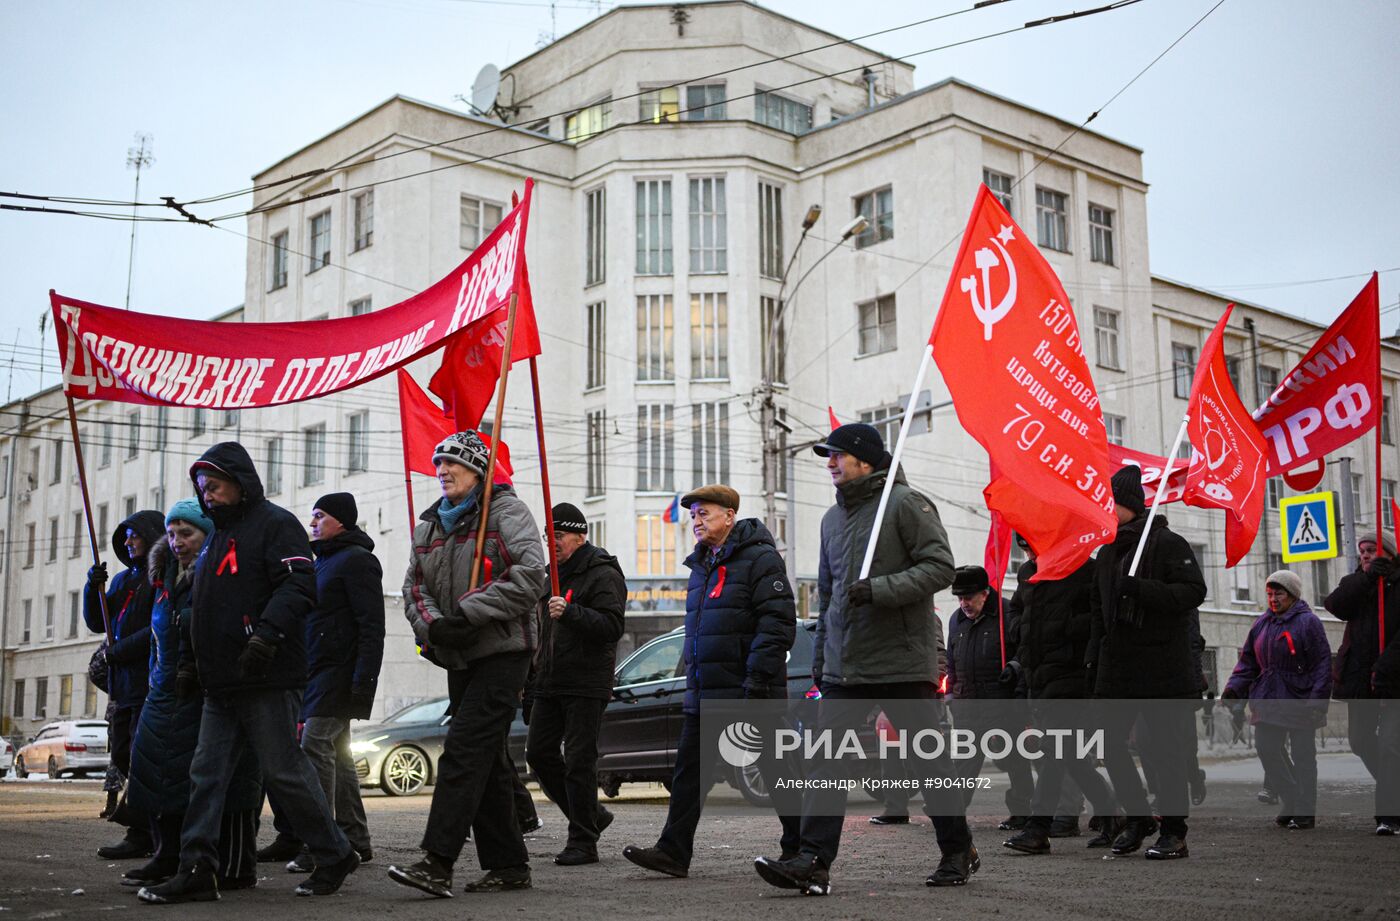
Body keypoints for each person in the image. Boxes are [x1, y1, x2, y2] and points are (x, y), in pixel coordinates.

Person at [754, 423, 974, 895]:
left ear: (865, 460)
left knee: (926, 762)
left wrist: (880, 589)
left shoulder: (905, 504)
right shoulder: (832, 519)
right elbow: (830, 593)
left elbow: (940, 567)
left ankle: (957, 849)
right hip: (845, 667)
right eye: (827, 456)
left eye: (837, 455)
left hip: (900, 662)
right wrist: (822, 657)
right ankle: (813, 861)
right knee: (825, 763)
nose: (829, 463)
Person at [138, 443, 359, 904]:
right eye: (202, 489)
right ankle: (197, 868)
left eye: (214, 486)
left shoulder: (277, 525)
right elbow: (204, 612)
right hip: (221, 681)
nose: (208, 496)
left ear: (241, 483)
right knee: (206, 774)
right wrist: (191, 665)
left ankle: (335, 852)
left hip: (267, 675)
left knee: (284, 772)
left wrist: (266, 636)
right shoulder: (218, 535)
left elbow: (300, 585)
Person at [389, 431, 547, 898]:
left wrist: (468, 613)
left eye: (452, 463)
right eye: (438, 463)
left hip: (503, 651)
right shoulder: (430, 526)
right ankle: (509, 865)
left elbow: (529, 577)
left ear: (479, 470)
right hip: (458, 654)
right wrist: (435, 626)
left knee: (463, 748)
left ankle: (437, 861)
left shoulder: (506, 512)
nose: (442, 470)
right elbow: (413, 588)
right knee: (489, 759)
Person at [623, 485, 799, 879]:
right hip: (706, 692)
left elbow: (777, 622)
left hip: (750, 691)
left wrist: (757, 676)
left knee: (776, 771)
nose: (697, 521)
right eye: (694, 515)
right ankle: (673, 851)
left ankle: (801, 850)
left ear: (730, 516)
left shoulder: (760, 559)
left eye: (705, 513)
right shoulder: (701, 566)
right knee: (689, 773)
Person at [121, 499, 262, 891]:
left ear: (207, 535)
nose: (177, 541)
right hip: (165, 690)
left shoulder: (221, 574)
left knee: (214, 781)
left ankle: (229, 864)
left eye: (187, 533)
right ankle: (168, 854)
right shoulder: (164, 578)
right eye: (171, 533)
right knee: (156, 774)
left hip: (207, 690)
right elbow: (157, 637)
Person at [1086, 465, 1206, 861]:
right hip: (1117, 666)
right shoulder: (1107, 551)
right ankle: (1138, 819)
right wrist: (1093, 660)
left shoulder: (1167, 543)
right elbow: (1097, 612)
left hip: (1161, 668)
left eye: (1111, 502)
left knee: (1165, 752)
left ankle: (1174, 832)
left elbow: (1192, 591)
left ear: (1129, 506)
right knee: (1108, 744)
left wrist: (1142, 589)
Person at [280, 493, 384, 873]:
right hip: (317, 671)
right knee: (338, 756)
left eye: (319, 516)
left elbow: (372, 626)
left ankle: (323, 843)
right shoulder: (321, 562)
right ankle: (355, 839)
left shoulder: (358, 561)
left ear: (341, 520)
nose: (312, 523)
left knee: (315, 746)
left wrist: (363, 682)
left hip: (340, 673)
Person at [1002, 539, 1122, 855]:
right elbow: (1016, 610)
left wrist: (1064, 629)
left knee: (1054, 749)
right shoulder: (1028, 571)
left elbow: (1100, 615)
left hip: (1072, 674)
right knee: (1068, 753)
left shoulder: (1082, 567)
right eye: (1024, 548)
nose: (1028, 554)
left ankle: (1038, 828)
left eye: (1031, 546)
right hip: (1039, 674)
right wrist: (1021, 631)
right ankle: (1113, 813)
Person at [526, 502, 627, 866]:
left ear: (580, 535)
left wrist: (572, 613)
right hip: (550, 681)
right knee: (538, 754)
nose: (551, 541)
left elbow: (613, 626)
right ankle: (592, 816)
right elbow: (541, 634)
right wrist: (531, 681)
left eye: (560, 535)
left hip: (586, 681)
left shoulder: (601, 573)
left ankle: (583, 841)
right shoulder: (549, 574)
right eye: (547, 534)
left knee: (580, 761)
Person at [84, 508, 165, 859]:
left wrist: (120, 652)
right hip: (123, 686)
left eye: (134, 534)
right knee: (122, 755)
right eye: (125, 536)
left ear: (151, 535)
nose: (128, 541)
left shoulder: (160, 576)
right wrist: (93, 587)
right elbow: (96, 623)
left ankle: (143, 831)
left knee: (141, 756)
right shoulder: (121, 581)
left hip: (147, 681)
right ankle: (148, 826)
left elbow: (157, 629)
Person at [1222, 570, 1331, 829]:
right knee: (1266, 748)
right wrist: (1234, 689)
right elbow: (1248, 662)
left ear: (1292, 595)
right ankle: (1292, 799)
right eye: (1269, 594)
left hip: (1300, 698)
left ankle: (1304, 810)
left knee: (1304, 756)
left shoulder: (1308, 622)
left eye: (1278, 593)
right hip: (1268, 697)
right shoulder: (1262, 624)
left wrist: (1318, 701)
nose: (1273, 599)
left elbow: (1323, 664)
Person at [945, 564, 1035, 828]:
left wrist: (1016, 670)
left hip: (1002, 701)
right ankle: (954, 811)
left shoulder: (1007, 614)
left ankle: (1021, 811)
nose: (964, 603)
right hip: (967, 704)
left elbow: (1024, 650)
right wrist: (952, 693)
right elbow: (952, 659)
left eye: (969, 597)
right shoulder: (957, 620)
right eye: (960, 598)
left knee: (1015, 761)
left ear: (985, 593)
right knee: (964, 762)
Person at [1323, 532, 1400, 834]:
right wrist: (1367, 578)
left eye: (1372, 550)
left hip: (1393, 679)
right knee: (1360, 740)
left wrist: (1386, 666)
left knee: (1391, 746)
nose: (1365, 555)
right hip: (1360, 680)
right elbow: (1335, 605)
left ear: (1390, 553)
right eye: (1362, 551)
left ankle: (1389, 816)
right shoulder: (1358, 582)